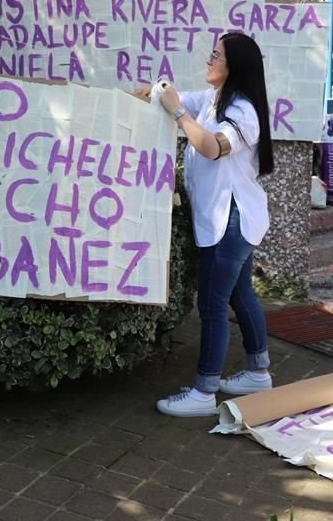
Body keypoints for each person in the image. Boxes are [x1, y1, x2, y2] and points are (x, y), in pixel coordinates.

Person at [139, 32, 276, 417]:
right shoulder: (216, 100)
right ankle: (259, 371)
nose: (209, 59)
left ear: (234, 68)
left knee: (212, 304)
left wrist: (179, 113)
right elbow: (177, 101)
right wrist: (153, 93)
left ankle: (204, 391)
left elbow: (213, 147)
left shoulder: (244, 112)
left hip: (229, 222)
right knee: (240, 294)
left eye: (216, 55)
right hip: (229, 220)